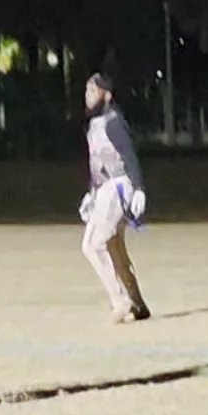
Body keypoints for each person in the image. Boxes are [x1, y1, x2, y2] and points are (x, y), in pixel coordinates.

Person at [78, 71, 152, 322]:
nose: (88, 95)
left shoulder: (113, 122)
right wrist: (91, 192)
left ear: (107, 95)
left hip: (118, 186)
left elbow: (128, 154)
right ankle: (137, 303)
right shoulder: (96, 124)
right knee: (113, 246)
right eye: (87, 90)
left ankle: (120, 301)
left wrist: (139, 187)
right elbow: (98, 163)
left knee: (92, 245)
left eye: (93, 90)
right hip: (105, 189)